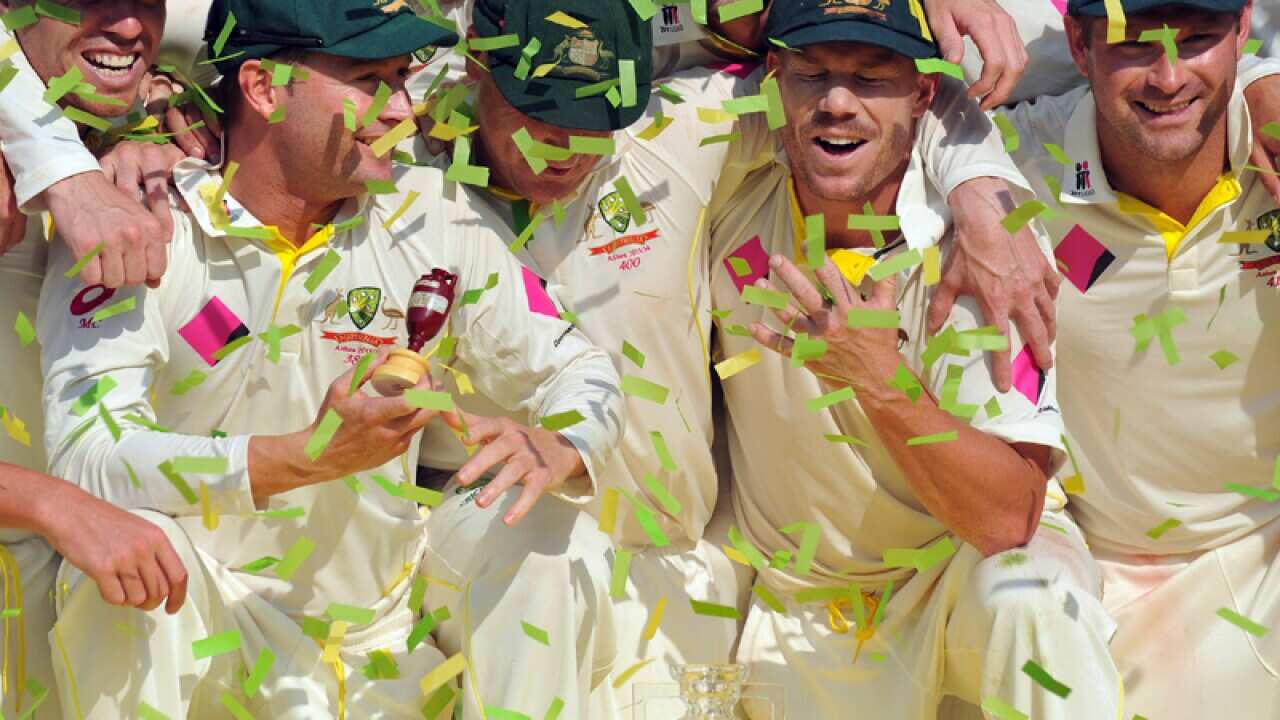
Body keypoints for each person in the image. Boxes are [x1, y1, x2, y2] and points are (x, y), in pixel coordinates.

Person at [405, 0, 1075, 716]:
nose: (564, 141)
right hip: (501, 533)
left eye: (594, 110)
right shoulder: (402, 170)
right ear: (479, 63)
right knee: (540, 559)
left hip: (672, 565)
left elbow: (860, 97)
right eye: (538, 106)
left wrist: (978, 186)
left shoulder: (677, 128)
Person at [36, 1, 625, 717]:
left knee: (550, 533)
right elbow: (86, 453)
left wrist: (561, 443)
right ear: (261, 87)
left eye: (403, 76)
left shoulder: (430, 212)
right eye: (369, 78)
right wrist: (300, 458)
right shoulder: (144, 218)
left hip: (382, 635)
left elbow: (580, 367)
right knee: (130, 553)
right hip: (210, 622)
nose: (401, 108)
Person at [706, 0, 1125, 717]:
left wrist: (881, 382)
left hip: (950, 578)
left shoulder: (993, 258)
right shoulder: (725, 196)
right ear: (775, 79)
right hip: (801, 603)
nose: (837, 103)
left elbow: (1009, 515)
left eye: (871, 79)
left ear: (924, 94)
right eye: (812, 74)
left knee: (1034, 594)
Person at [997, 0, 1280, 716]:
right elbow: (873, 71)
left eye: (1197, 39)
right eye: (1132, 44)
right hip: (1088, 565)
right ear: (1076, 40)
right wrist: (969, 182)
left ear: (1244, 29)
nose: (1168, 75)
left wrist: (1266, 76)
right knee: (1012, 594)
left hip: (1263, 549)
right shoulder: (1009, 165)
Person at [0, 3, 193, 717]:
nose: (127, 25)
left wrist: (154, 120)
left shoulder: (174, 144)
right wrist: (49, 503)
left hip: (108, 604)